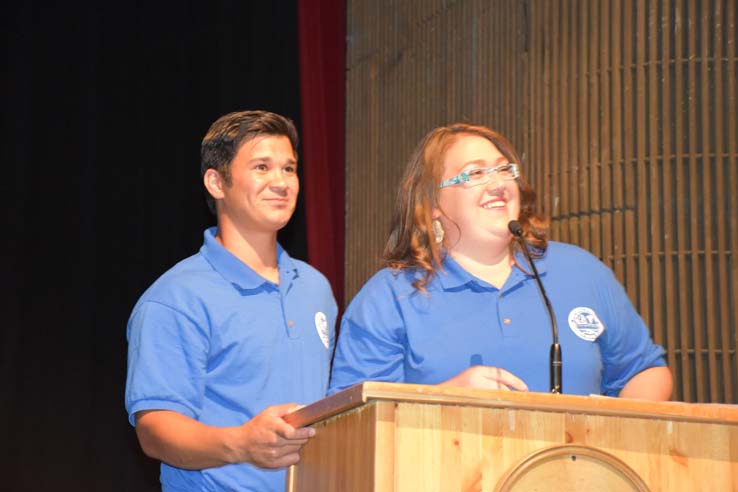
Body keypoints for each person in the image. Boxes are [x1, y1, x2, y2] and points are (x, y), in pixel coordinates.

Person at [329, 122, 672, 400]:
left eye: (504, 170)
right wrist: (442, 399)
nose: (497, 183)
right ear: (432, 204)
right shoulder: (390, 298)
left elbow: (643, 371)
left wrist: (614, 433)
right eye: (474, 174)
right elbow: (354, 418)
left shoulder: (580, 272)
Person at [125, 110, 337, 491]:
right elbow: (154, 429)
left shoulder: (315, 287)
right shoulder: (175, 298)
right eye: (262, 167)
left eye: (289, 169)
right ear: (216, 183)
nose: (281, 182)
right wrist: (242, 444)